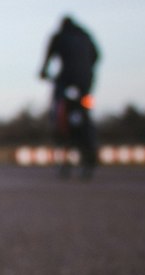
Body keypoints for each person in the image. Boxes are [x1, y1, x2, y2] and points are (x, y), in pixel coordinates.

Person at [39, 16, 100, 175]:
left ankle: (59, 129)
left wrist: (44, 72)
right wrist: (88, 69)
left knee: (58, 107)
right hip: (85, 82)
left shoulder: (59, 37)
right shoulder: (86, 36)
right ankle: (88, 133)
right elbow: (97, 56)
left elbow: (48, 58)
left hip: (66, 80)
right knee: (86, 107)